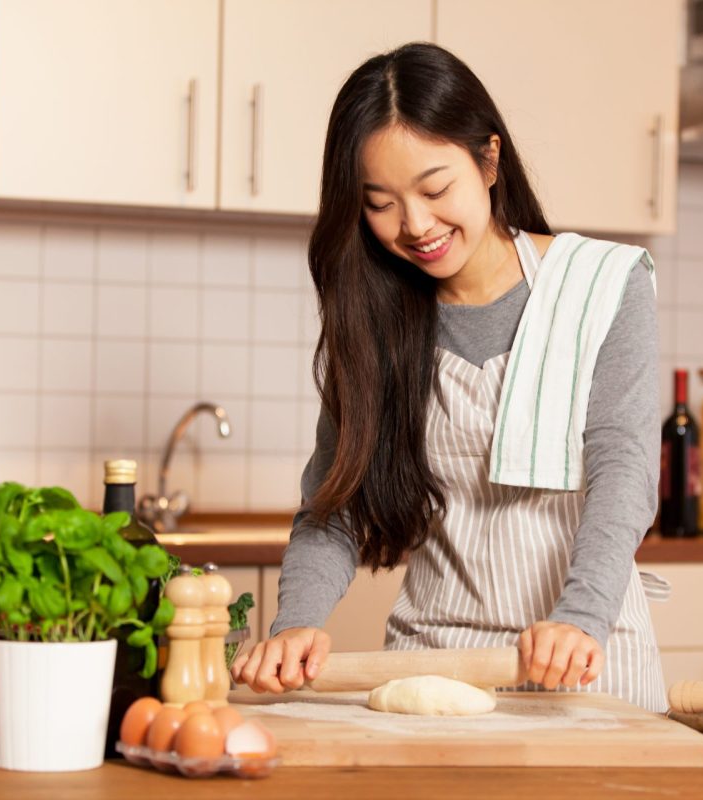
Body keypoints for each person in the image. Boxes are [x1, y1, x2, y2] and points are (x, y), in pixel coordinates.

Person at [231, 41, 668, 712]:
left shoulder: (603, 285)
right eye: (380, 202)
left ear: (489, 160)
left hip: (588, 661)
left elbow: (623, 467)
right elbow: (335, 506)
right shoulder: (375, 321)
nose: (416, 225)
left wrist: (580, 617)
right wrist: (296, 624)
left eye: (435, 190)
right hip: (434, 667)